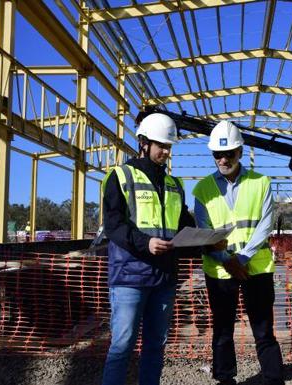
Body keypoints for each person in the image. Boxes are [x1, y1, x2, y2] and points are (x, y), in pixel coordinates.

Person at [101, 113, 196, 385]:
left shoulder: (174, 185)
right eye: (160, 145)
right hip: (130, 277)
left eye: (169, 147)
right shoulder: (121, 176)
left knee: (155, 346)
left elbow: (181, 226)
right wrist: (146, 243)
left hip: (164, 278)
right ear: (143, 142)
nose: (166, 151)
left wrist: (207, 239)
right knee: (122, 347)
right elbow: (114, 225)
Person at [193, 120, 284, 385]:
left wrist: (241, 258)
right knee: (222, 331)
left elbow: (265, 225)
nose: (223, 159)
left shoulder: (261, 183)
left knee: (264, 331)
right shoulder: (202, 189)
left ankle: (274, 379)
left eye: (229, 153)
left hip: (255, 268)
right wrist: (226, 261)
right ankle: (225, 379)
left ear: (240, 152)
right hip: (220, 271)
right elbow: (204, 231)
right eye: (217, 154)